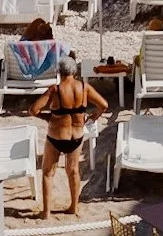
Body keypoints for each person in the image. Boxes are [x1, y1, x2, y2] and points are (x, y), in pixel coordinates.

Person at [31, 56, 108, 219]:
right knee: (73, 171)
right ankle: (74, 207)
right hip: (76, 137)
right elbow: (104, 105)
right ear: (75, 71)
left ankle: (46, 212)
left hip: (56, 137)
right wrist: (95, 116)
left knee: (47, 173)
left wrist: (48, 117)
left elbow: (34, 109)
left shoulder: (54, 90)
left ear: (58, 71)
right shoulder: (84, 87)